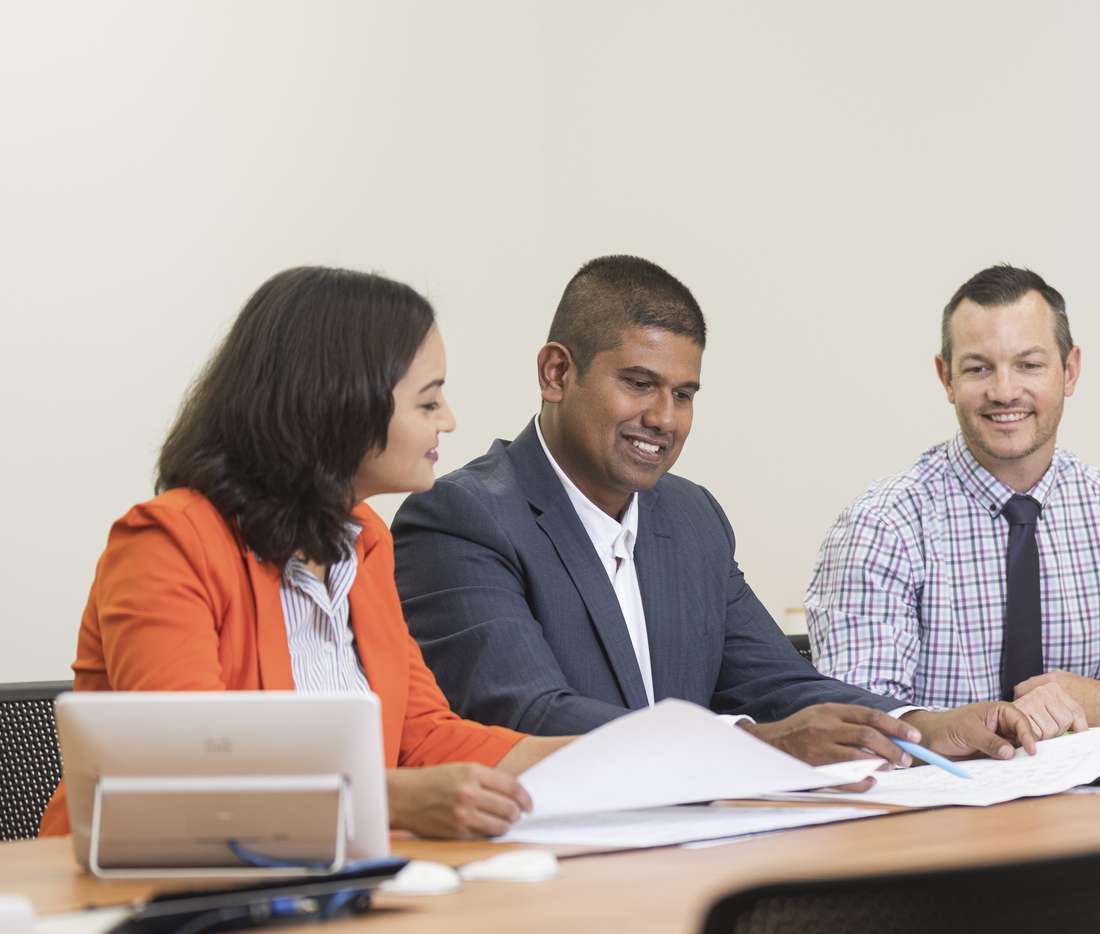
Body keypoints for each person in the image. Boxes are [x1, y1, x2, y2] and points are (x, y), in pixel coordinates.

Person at [392, 256, 1033, 764]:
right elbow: (530, 718)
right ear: (557, 374)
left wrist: (922, 726)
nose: (664, 419)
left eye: (684, 394)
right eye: (639, 384)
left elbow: (781, 685)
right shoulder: (461, 518)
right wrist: (758, 744)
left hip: (693, 857)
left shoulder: (691, 517)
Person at [41, 267, 569, 841]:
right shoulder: (167, 543)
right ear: (340, 405)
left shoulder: (364, 542)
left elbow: (420, 734)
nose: (448, 419)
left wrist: (600, 758)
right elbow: (190, 764)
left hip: (311, 880)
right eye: (429, 401)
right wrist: (389, 799)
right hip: (140, 892)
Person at [806, 265, 1100, 733]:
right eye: (978, 368)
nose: (1005, 391)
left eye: (1029, 365)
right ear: (946, 378)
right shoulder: (882, 526)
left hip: (1096, 804)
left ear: (1069, 371)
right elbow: (861, 724)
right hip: (944, 802)